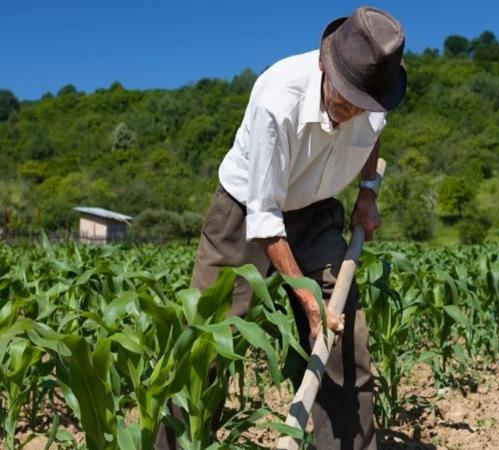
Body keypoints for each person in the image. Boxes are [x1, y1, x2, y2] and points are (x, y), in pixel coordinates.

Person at [155, 6, 406, 450]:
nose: (350, 112)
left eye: (361, 104)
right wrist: (307, 301)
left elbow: (372, 138)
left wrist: (367, 194)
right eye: (344, 98)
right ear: (325, 66)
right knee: (206, 348)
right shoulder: (278, 97)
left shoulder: (375, 94)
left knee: (345, 343)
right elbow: (265, 219)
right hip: (245, 213)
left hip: (316, 211)